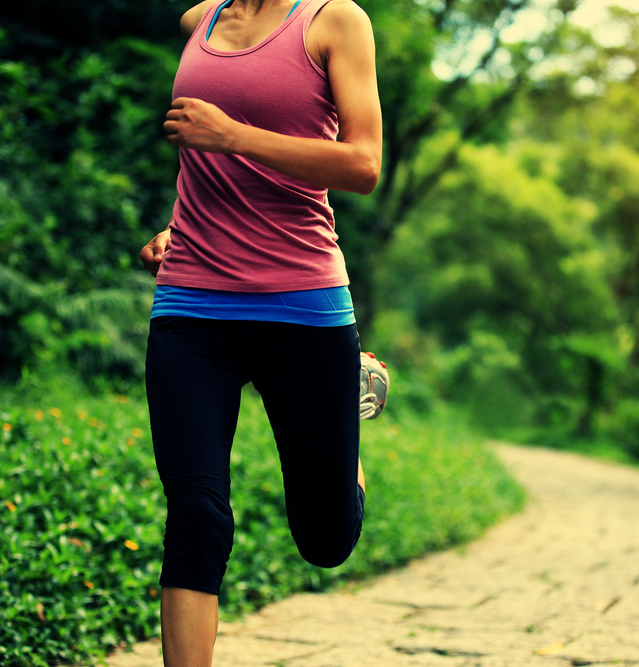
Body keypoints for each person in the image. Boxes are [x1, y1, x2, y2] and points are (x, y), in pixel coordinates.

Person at [138, 0, 385, 664]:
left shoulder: (335, 22)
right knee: (196, 513)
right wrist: (176, 227)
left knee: (325, 539)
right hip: (192, 301)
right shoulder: (202, 20)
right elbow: (200, 165)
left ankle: (349, 409)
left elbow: (363, 164)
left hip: (302, 303)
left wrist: (234, 136)